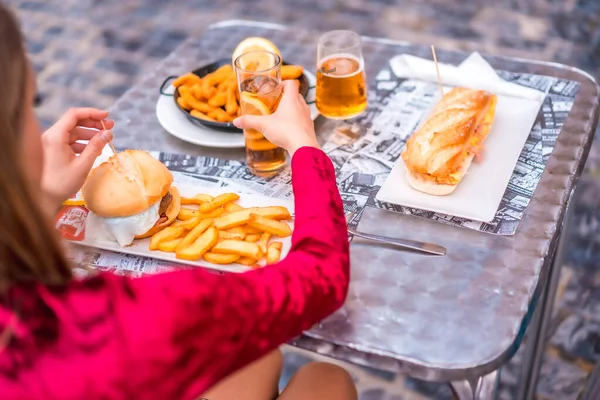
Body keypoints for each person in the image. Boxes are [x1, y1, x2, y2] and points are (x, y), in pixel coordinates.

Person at [0, 4, 357, 400]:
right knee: (327, 379)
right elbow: (321, 278)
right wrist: (304, 144)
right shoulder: (144, 317)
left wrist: (43, 196)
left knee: (263, 358)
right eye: (30, 108)